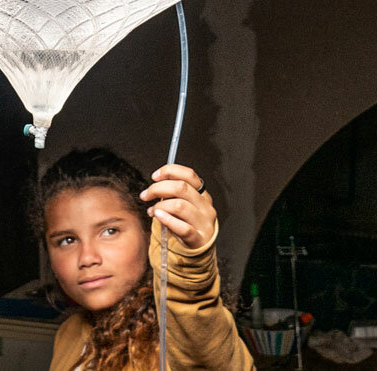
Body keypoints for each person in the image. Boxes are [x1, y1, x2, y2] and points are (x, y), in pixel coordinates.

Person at [28, 148, 255, 370]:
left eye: (110, 231)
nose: (87, 258)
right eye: (67, 240)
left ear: (149, 233)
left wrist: (190, 270)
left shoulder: (176, 341)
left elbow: (203, 340)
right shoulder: (69, 333)